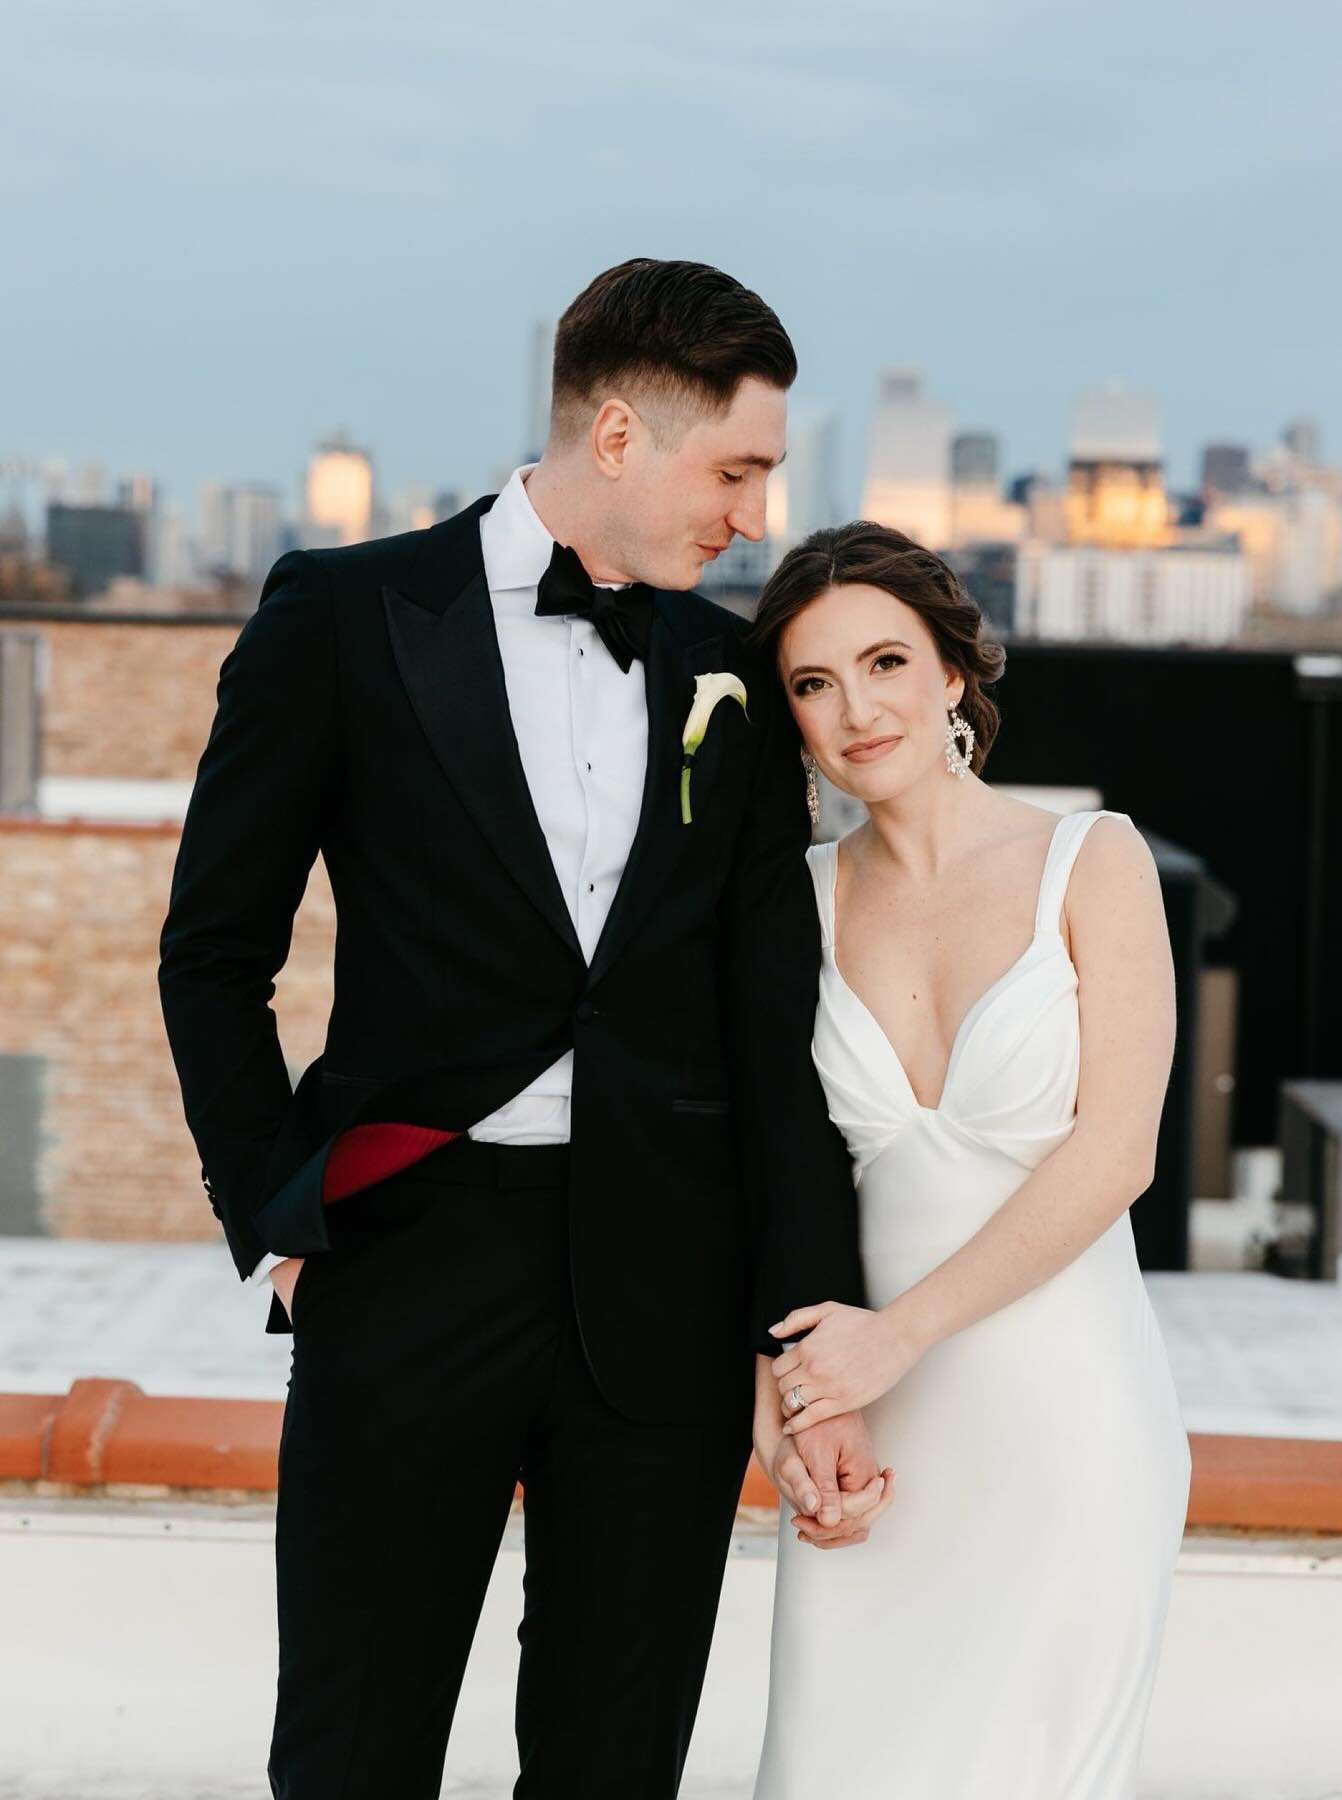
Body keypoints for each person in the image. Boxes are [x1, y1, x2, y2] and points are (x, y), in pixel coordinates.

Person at [156, 258, 888, 1800]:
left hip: (668, 1289)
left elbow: (776, 1032)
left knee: (616, 1764)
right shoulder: (346, 614)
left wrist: (805, 1332)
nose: (755, 513)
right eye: (739, 466)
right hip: (409, 1259)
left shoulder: (730, 674)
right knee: (352, 1755)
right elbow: (213, 951)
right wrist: (276, 1208)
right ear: (617, 434)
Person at [747, 521, 1192, 1799]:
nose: (855, 710)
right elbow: (766, 1178)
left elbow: (1116, 1156)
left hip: (1068, 1422)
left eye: (886, 662)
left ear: (954, 674)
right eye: (813, 684)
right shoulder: (796, 898)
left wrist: (899, 1334)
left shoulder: (1091, 859)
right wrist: (785, 1407)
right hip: (868, 1440)